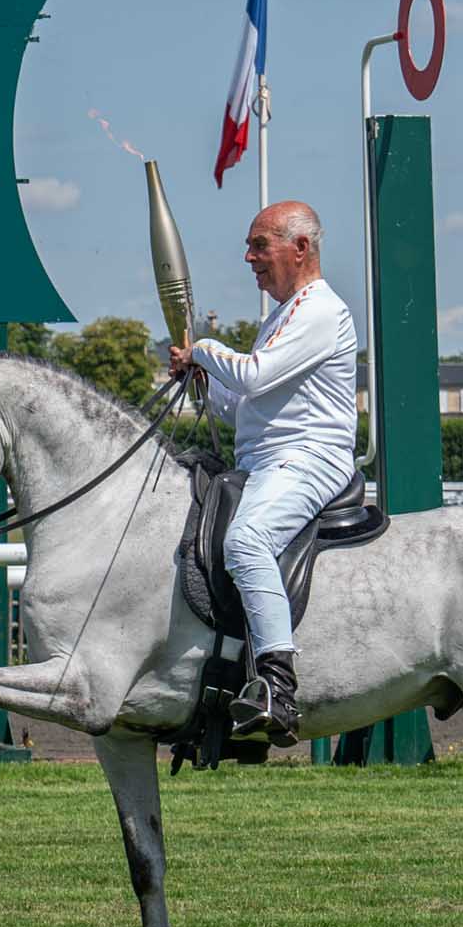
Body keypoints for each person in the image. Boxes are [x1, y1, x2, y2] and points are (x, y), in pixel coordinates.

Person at [169, 200, 358, 745]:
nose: (248, 257)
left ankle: (277, 685)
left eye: (259, 245)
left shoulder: (320, 310)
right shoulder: (281, 314)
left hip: (310, 458)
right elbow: (245, 408)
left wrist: (204, 351)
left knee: (248, 539)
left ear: (300, 248)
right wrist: (206, 386)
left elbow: (254, 377)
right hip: (265, 461)